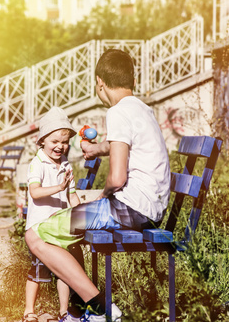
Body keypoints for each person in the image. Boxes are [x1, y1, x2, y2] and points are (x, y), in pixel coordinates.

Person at [25, 49, 171, 322]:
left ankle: (104, 311)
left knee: (36, 235)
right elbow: (122, 145)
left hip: (128, 209)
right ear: (132, 81)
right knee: (63, 228)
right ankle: (80, 310)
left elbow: (117, 179)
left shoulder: (117, 112)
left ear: (99, 83)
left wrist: (102, 198)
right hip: (151, 208)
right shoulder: (142, 109)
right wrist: (96, 149)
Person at [22, 107, 81, 322]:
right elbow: (35, 193)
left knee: (63, 271)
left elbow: (72, 195)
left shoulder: (65, 164)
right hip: (40, 230)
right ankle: (29, 310)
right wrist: (58, 187)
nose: (60, 147)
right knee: (37, 271)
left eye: (64, 142)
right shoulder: (37, 163)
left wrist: (81, 213)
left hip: (61, 229)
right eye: (55, 141)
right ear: (42, 141)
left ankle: (63, 311)